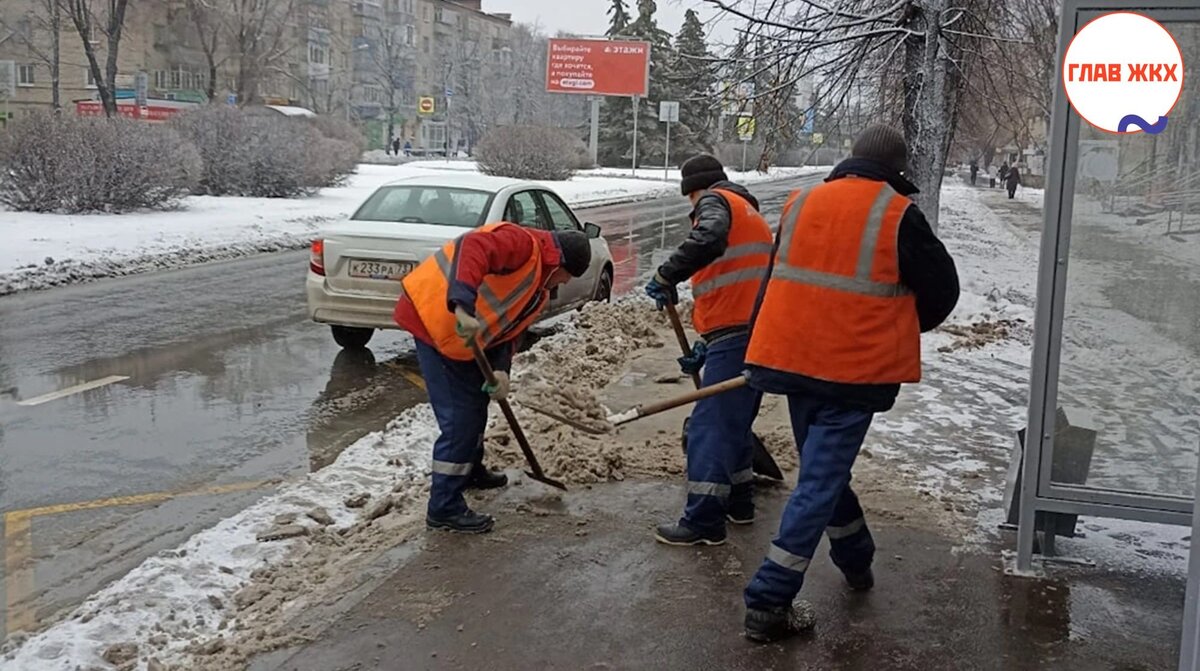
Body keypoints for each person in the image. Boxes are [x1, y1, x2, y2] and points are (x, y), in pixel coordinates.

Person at [740, 124, 959, 643]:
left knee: (821, 472)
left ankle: (857, 556)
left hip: (794, 363)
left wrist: (757, 350)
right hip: (853, 372)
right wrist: (901, 322)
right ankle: (769, 601)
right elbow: (943, 291)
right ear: (898, 169)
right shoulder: (898, 214)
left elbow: (773, 280)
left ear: (851, 158)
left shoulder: (801, 202)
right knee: (817, 480)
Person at [393, 223, 593, 533]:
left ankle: (470, 470)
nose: (565, 283)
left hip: (461, 337)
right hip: (434, 319)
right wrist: (462, 306)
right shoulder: (523, 245)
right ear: (560, 263)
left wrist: (502, 371)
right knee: (461, 419)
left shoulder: (538, 288)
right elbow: (473, 247)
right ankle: (444, 507)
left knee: (476, 403)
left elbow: (509, 330)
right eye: (568, 276)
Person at [645, 154, 774, 547]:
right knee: (733, 425)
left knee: (708, 426)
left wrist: (667, 273)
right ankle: (739, 503)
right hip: (754, 331)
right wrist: (707, 343)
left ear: (693, 190)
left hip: (737, 331)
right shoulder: (748, 211)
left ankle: (703, 520)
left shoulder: (714, 202)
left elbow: (709, 238)